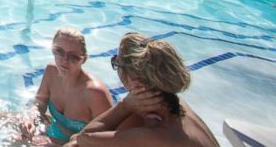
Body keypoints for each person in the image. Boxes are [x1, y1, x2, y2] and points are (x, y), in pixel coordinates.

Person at [69, 33, 218, 146]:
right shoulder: (178, 105)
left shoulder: (155, 135)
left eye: (117, 63)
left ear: (136, 83)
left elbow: (83, 138)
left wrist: (124, 106)